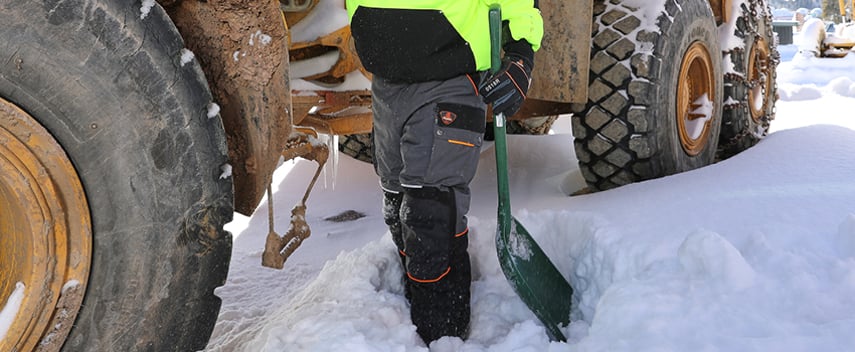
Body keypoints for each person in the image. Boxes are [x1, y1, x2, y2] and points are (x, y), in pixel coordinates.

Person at [345, 0, 543, 344]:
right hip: (386, 78)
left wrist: (521, 50)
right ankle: (413, 315)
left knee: (430, 214)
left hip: (450, 70)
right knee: (397, 205)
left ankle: (443, 334)